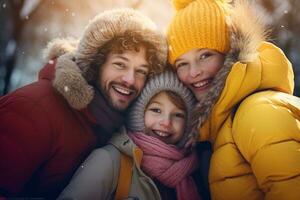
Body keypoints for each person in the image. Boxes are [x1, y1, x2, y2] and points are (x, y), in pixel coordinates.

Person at [0, 8, 167, 198]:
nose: (130, 79)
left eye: (141, 71)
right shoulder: (34, 108)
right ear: (97, 64)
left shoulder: (116, 126)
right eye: (120, 64)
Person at [166, 0, 300, 199]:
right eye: (182, 64)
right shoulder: (219, 127)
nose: (194, 72)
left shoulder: (259, 112)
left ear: (229, 52)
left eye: (205, 55)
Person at [58, 70, 211, 200]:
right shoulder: (110, 161)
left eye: (178, 115)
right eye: (156, 110)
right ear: (139, 113)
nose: (166, 122)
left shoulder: (197, 170)